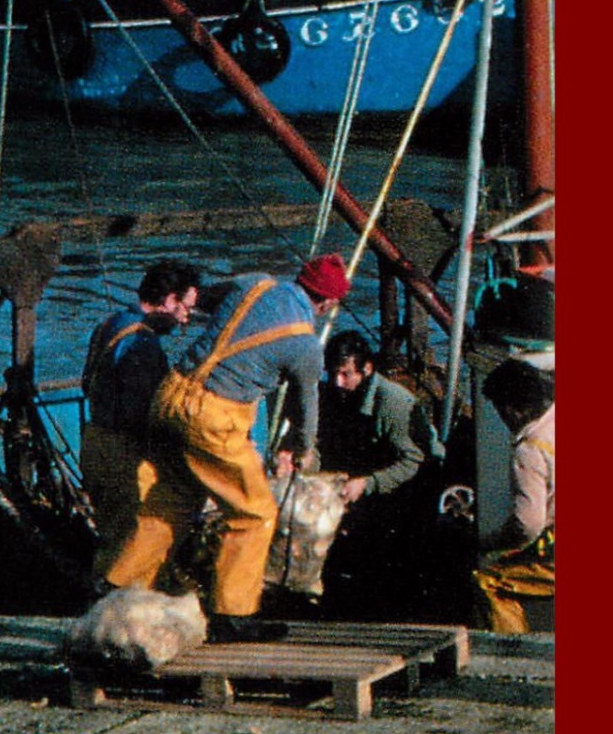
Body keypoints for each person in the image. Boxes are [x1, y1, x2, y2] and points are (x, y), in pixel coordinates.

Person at [103, 253, 350, 643]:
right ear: (328, 303)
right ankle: (232, 614)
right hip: (212, 418)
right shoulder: (306, 346)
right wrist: (302, 450)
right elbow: (307, 410)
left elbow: (199, 297)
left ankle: (113, 585)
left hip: (170, 397)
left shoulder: (254, 282)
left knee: (173, 498)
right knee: (255, 511)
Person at [79, 259, 201, 577]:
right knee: (133, 542)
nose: (187, 319)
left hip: (94, 442)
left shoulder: (111, 323)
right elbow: (143, 412)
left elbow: (86, 383)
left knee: (111, 535)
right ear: (170, 299)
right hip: (123, 455)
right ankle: (117, 610)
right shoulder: (143, 345)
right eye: (186, 308)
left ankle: (101, 599)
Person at [312, 330, 444, 619]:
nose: (338, 383)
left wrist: (369, 484)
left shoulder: (392, 403)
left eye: (346, 374)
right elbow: (322, 443)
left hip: (412, 483)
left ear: (367, 369)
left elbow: (414, 461)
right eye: (333, 374)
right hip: (363, 472)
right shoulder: (333, 395)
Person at [471, 359, 555, 633]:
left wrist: (488, 543)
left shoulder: (530, 451)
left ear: (510, 409)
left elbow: (527, 525)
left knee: (489, 581)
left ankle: (513, 656)